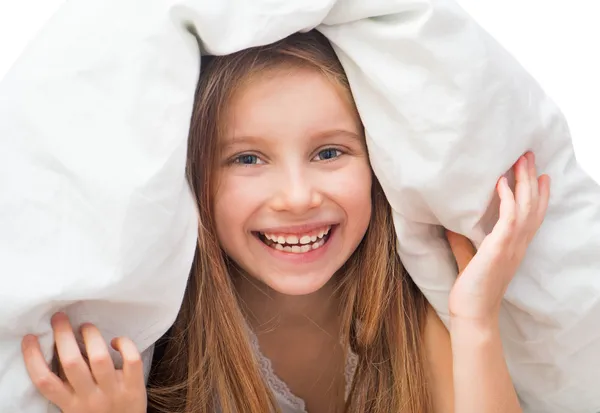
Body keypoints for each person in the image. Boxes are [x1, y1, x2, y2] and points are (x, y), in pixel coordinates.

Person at [20, 30, 550, 413]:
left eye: (329, 153)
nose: (297, 198)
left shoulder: (408, 305)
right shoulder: (171, 333)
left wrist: (477, 322)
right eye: (247, 159)